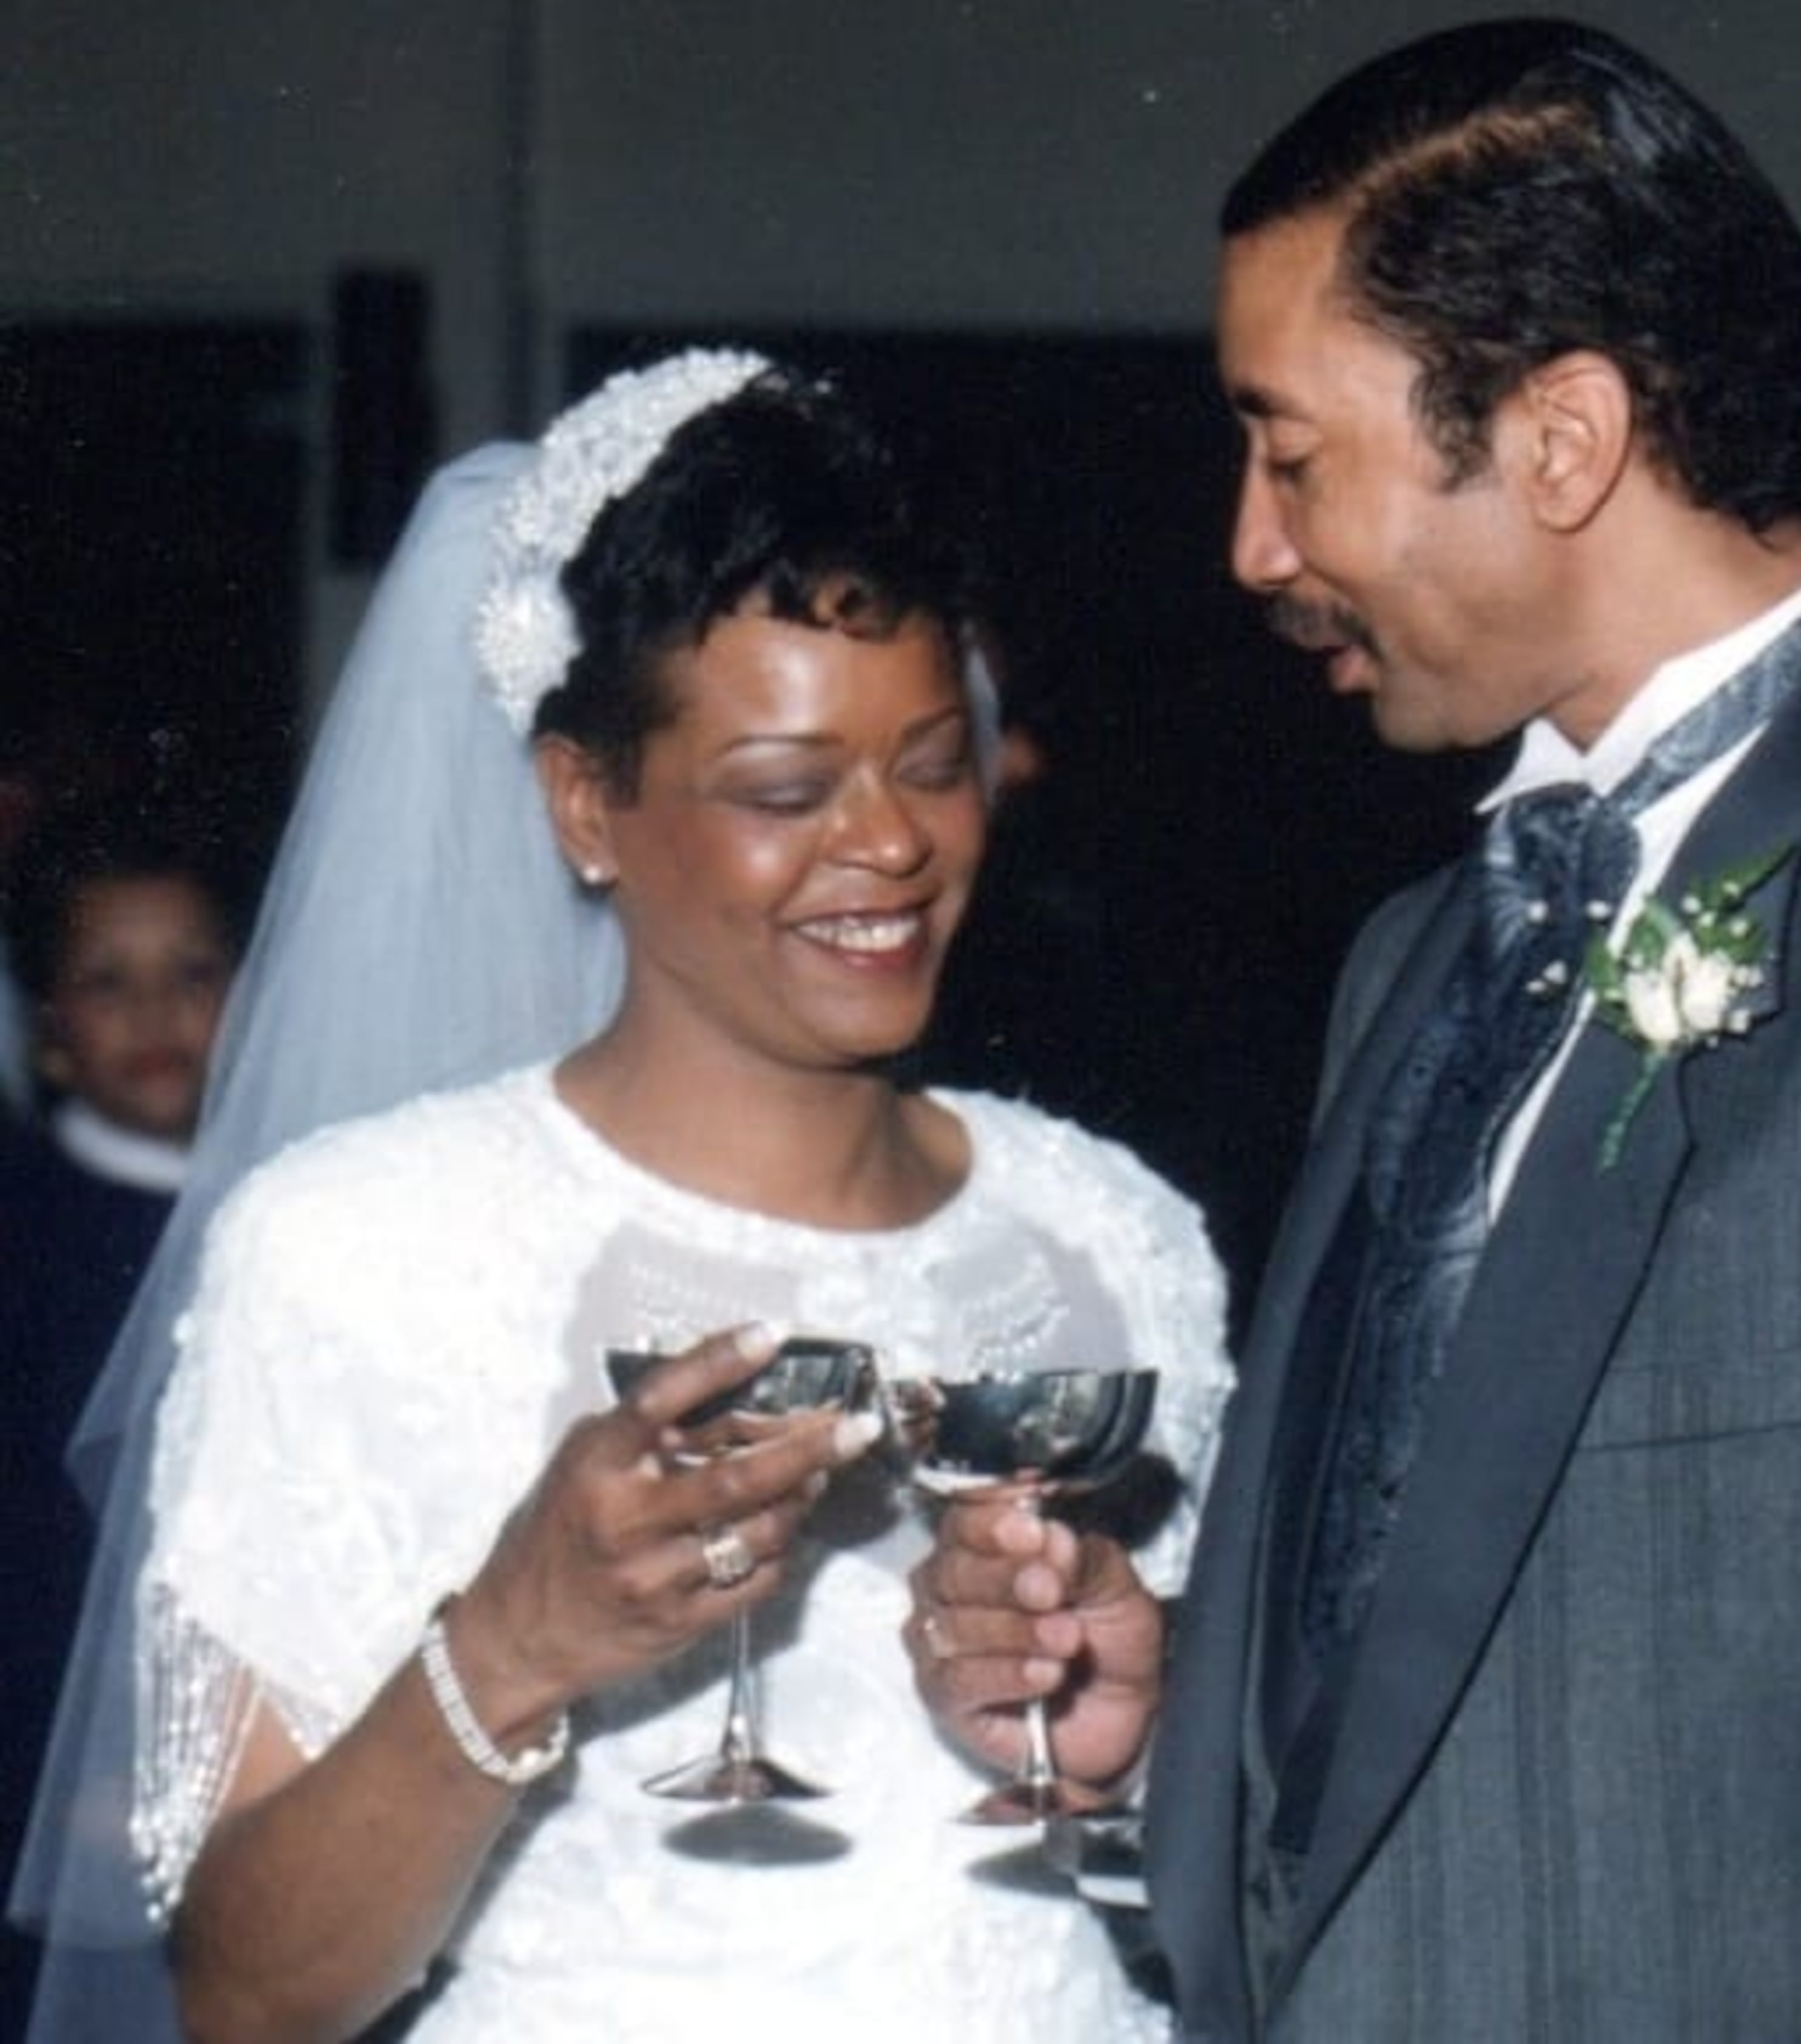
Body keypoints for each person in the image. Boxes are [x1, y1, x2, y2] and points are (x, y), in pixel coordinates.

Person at [909, 19, 1801, 2037]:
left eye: (1293, 452)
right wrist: (1199, 1734)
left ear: (1562, 439)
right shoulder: (1419, 953)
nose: (1252, 544)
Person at [11, 351, 1230, 2043]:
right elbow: (247, 1993)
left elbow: (1234, 1891)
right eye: (786, 789)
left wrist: (1129, 1731)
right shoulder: (357, 1246)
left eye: (935, 761)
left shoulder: (1117, 1229)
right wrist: (515, 1639)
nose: (887, 844)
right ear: (588, 802)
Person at [0, 808, 240, 2039]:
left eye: (193, 973)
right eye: (109, 983)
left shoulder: (290, 1211)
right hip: (55, 1756)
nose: (156, 1015)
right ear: (48, 1038)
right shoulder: (25, 1233)